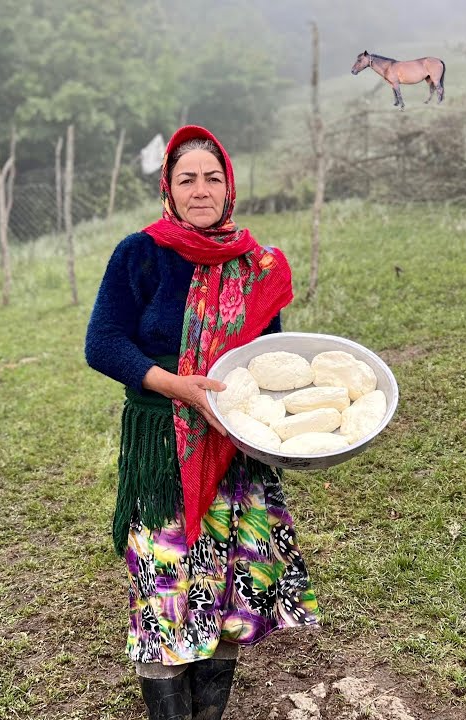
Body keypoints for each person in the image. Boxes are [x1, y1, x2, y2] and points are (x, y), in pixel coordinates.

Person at [85, 125, 320, 720]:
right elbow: (102, 343)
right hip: (165, 443)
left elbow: (269, 354)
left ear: (229, 187)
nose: (200, 189)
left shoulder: (252, 264)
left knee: (227, 592)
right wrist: (176, 388)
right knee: (165, 591)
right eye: (186, 178)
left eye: (212, 178)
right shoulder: (139, 253)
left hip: (234, 443)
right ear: (169, 187)